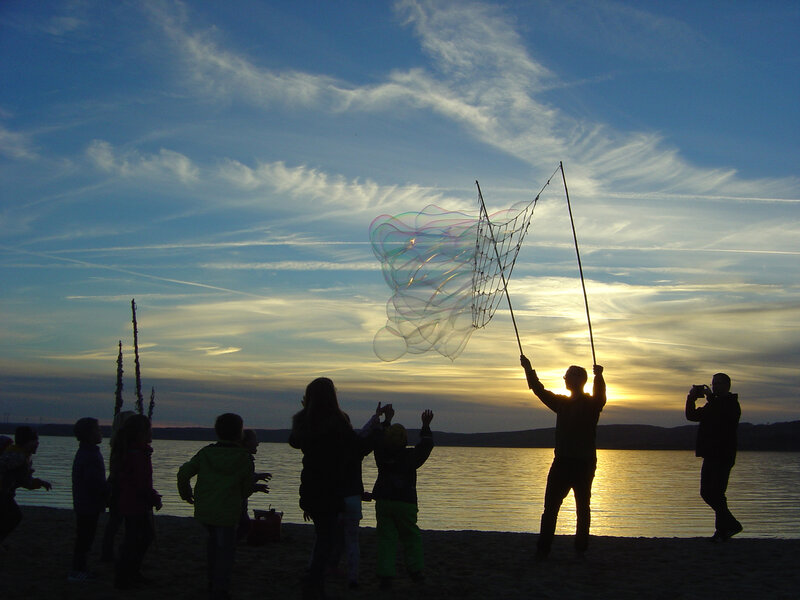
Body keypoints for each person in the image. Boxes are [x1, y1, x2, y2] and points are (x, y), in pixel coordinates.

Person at [289, 377, 372, 600]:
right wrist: (374, 436)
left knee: (323, 535)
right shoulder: (339, 421)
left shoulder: (302, 420)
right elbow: (354, 449)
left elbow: (294, 441)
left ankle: (316, 583)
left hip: (310, 486)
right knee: (327, 539)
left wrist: (306, 412)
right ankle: (313, 583)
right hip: (332, 487)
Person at [520, 355, 606, 559]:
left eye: (568, 376)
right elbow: (539, 390)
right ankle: (544, 548)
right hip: (563, 462)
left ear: (578, 380)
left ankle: (579, 548)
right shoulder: (562, 403)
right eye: (566, 376)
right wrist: (528, 369)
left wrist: (599, 377)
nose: (565, 379)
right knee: (551, 507)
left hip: (582, 463)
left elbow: (600, 397)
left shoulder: (591, 404)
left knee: (581, 508)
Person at [178, 414, 263, 600]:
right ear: (240, 434)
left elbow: (184, 473)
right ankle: (220, 589)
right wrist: (242, 492)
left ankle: (211, 582)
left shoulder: (206, 452)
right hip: (227, 512)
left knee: (213, 546)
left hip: (205, 510)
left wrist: (186, 494)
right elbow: (246, 489)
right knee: (225, 552)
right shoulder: (243, 458)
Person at [372, 407, 434, 589]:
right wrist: (425, 426)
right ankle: (416, 572)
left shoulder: (381, 455)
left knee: (386, 538)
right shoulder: (410, 457)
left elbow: (378, 438)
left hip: (384, 501)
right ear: (404, 440)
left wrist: (386, 420)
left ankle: (385, 575)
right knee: (411, 537)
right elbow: (426, 445)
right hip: (405, 503)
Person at [685, 374, 742, 541]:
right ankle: (726, 528)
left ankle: (727, 528)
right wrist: (691, 398)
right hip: (710, 454)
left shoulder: (731, 404)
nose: (714, 386)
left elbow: (724, 417)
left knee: (715, 493)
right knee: (708, 493)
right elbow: (692, 416)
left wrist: (710, 398)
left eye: (718, 383)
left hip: (723, 454)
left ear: (727, 385)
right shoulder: (713, 405)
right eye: (713, 383)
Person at [113, 414, 162, 590]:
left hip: (133, 502)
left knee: (138, 538)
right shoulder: (137, 454)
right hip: (135, 504)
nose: (152, 432)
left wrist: (151, 495)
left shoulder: (137, 452)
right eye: (149, 429)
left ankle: (130, 572)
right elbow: (140, 483)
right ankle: (125, 574)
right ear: (142, 432)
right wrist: (153, 497)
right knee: (137, 539)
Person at [69, 417, 109, 582]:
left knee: (85, 537)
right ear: (90, 434)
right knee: (85, 538)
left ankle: (80, 568)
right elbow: (94, 481)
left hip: (84, 502)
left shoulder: (87, 452)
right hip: (88, 503)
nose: (101, 432)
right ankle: (77, 570)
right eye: (98, 429)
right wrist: (107, 492)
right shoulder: (90, 454)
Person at [0, 426, 52, 545]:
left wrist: (39, 483)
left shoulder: (23, 456)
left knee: (12, 517)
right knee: (13, 517)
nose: (37, 443)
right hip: (3, 493)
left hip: (6, 493)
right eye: (34, 440)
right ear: (26, 442)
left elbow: (25, 481)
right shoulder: (17, 456)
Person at [101, 409, 135, 562]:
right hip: (120, 488)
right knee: (117, 523)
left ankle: (109, 553)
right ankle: (110, 554)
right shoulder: (122, 448)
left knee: (115, 523)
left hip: (117, 487)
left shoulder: (120, 446)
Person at [237, 428, 272, 541]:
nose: (257, 443)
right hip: (235, 503)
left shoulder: (243, 458)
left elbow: (244, 478)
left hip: (238, 502)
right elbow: (239, 482)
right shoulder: (244, 459)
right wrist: (256, 486)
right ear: (247, 443)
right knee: (244, 525)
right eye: (255, 440)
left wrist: (257, 477)